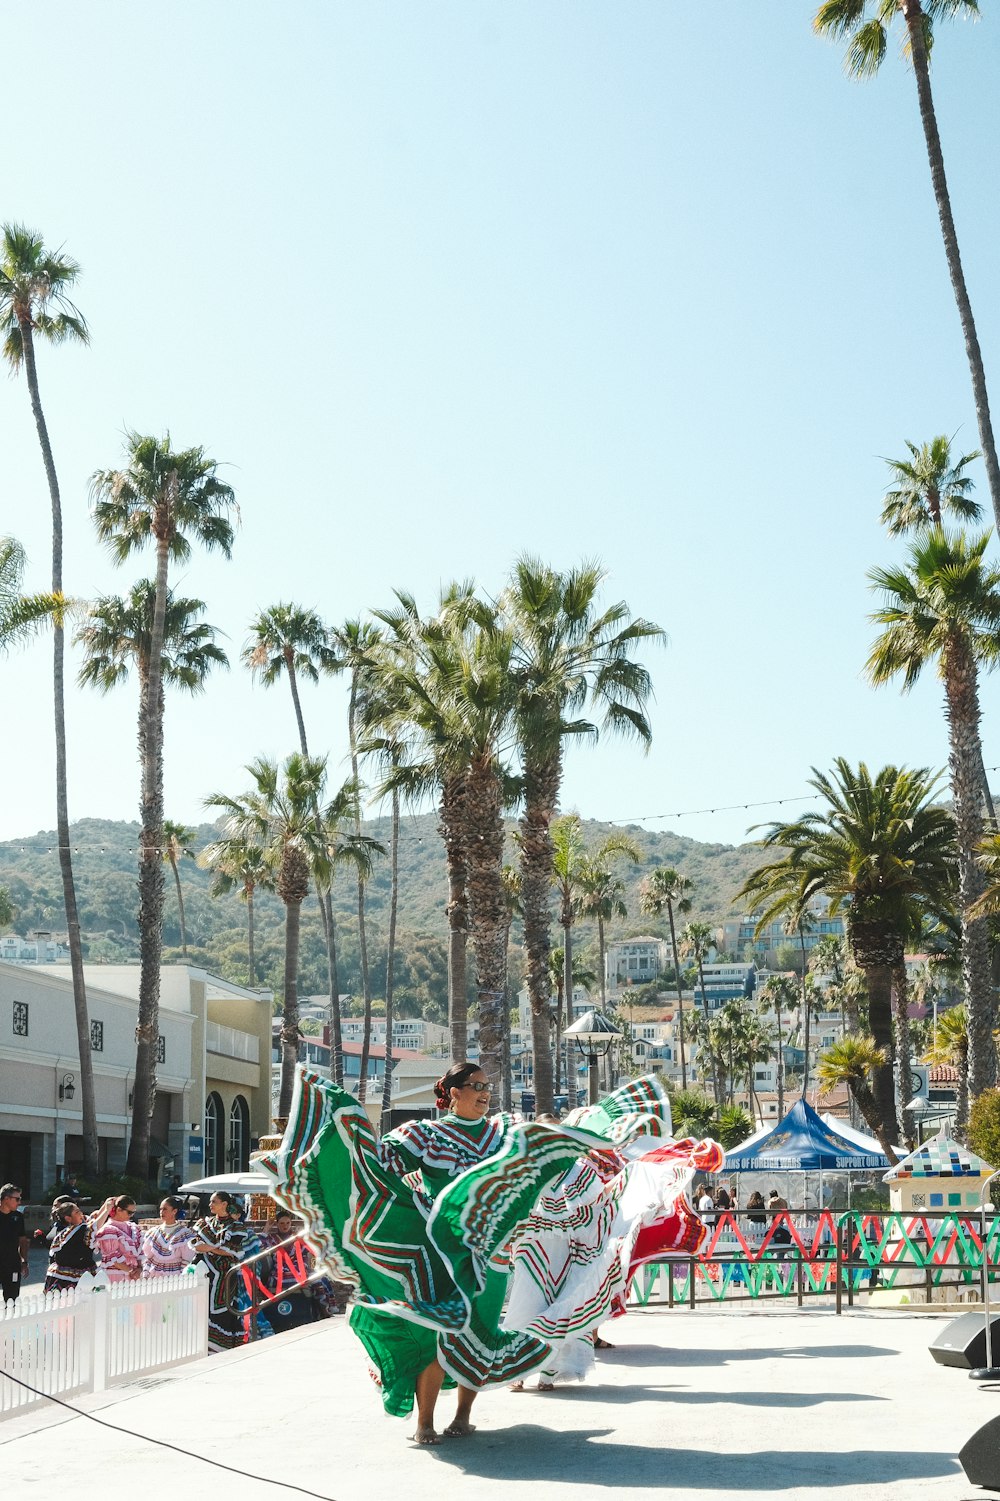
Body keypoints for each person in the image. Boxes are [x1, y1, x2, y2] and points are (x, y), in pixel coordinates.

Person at [260, 1061, 661, 1443]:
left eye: (489, 1087)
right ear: (453, 1093)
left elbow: (541, 1155)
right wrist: (333, 1150)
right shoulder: (426, 1135)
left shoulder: (504, 1132)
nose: (487, 1094)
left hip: (493, 1254)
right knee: (438, 1330)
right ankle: (425, 1421)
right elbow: (380, 1165)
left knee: (478, 1334)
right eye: (478, 1087)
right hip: (437, 1253)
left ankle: (463, 1417)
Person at [189, 1191, 254, 1352]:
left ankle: (221, 1346)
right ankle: (203, 1344)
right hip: (205, 1272)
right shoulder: (205, 1224)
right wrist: (215, 1248)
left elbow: (234, 1251)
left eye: (214, 1202)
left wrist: (210, 1248)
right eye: (210, 1202)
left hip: (225, 1273)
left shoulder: (236, 1226)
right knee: (201, 1307)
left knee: (223, 1308)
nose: (210, 1205)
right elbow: (197, 1244)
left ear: (224, 1204)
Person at [44, 1200, 105, 1292]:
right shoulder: (75, 1230)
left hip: (81, 1269)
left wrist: (104, 1208)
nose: (81, 1214)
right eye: (77, 1212)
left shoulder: (78, 1228)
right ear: (68, 1218)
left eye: (80, 1211)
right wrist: (107, 1208)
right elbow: (94, 1227)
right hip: (69, 1274)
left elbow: (92, 1224)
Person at [141, 1196, 196, 1277]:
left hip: (175, 1276)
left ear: (174, 1211)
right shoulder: (153, 1232)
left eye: (165, 1209)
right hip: (154, 1276)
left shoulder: (185, 1234)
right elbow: (147, 1257)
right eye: (160, 1209)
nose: (161, 1212)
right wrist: (146, 1273)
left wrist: (182, 1277)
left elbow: (187, 1259)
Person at [94, 1196, 143, 1281]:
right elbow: (113, 1258)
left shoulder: (134, 1228)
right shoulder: (108, 1229)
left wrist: (139, 1269)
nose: (131, 1215)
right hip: (115, 1276)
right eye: (129, 1212)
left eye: (133, 1212)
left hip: (133, 1276)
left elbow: (140, 1253)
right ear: (119, 1210)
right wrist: (131, 1271)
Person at [0, 1183, 29, 1303]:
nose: (19, 1202)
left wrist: (24, 1261)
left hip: (12, 1264)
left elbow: (22, 1240)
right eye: (17, 1199)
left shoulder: (18, 1217)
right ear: (6, 1199)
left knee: (12, 1299)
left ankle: (10, 1320)